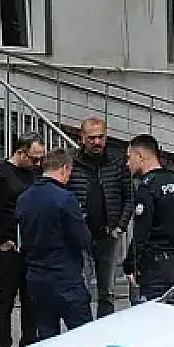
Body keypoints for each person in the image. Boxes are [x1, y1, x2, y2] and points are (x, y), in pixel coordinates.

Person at [0, 133, 44, 347]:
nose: (37, 163)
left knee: (31, 296)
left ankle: (29, 341)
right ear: (21, 152)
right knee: (6, 297)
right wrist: (1, 238)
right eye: (34, 158)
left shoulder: (35, 174)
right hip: (6, 245)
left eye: (40, 159)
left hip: (29, 243)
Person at [15, 148, 93, 340]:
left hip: (36, 277)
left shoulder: (23, 199)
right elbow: (82, 238)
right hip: (64, 276)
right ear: (64, 168)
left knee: (47, 336)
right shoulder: (66, 198)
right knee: (84, 336)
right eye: (69, 173)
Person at [65, 117, 133, 318]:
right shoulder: (71, 162)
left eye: (101, 137)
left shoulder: (117, 162)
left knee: (108, 292)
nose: (97, 142)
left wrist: (121, 226)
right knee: (81, 289)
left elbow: (129, 197)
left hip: (109, 235)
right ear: (82, 138)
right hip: (81, 235)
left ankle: (105, 327)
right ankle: (84, 327)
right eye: (92, 138)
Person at [122, 134, 174, 303]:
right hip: (173, 261)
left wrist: (130, 264)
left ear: (140, 156)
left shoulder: (148, 187)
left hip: (153, 265)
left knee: (149, 311)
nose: (127, 163)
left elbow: (141, 232)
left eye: (129, 157)